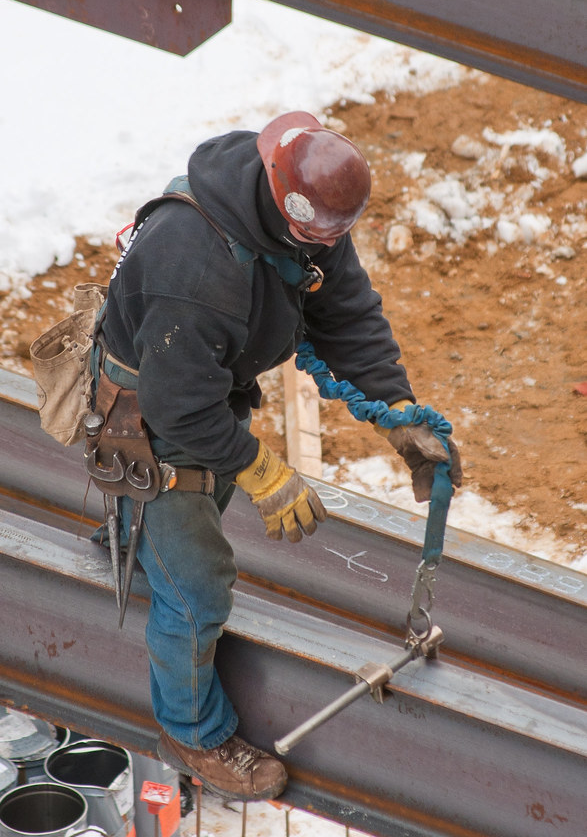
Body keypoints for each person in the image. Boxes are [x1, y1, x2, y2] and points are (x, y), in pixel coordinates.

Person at [89, 111, 462, 802]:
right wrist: (264, 472)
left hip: (209, 381)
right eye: (321, 237)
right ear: (284, 203)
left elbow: (347, 314)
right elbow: (178, 409)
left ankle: (143, 539)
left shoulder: (309, 212)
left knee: (204, 498)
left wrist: (397, 413)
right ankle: (192, 731)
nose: (332, 248)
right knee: (199, 589)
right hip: (153, 411)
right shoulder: (191, 262)